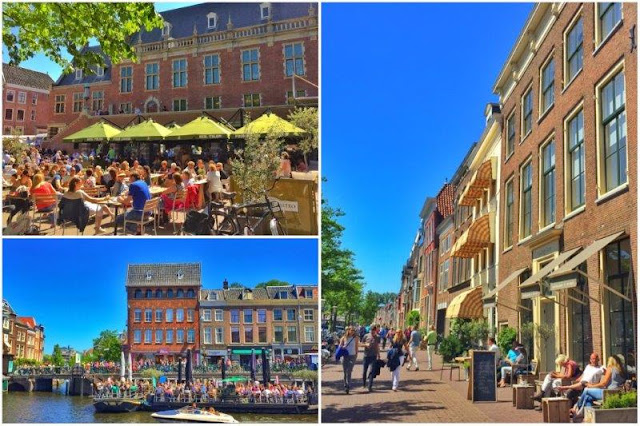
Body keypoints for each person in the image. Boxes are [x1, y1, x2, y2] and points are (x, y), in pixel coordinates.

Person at [339, 326, 358, 394]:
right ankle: (345, 384)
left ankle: (348, 385)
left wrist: (356, 355)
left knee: (349, 371)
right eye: (351, 330)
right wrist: (342, 347)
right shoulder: (344, 338)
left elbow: (356, 347)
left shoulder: (355, 338)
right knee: (345, 371)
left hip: (352, 356)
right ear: (348, 330)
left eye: (353, 330)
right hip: (345, 356)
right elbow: (339, 346)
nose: (353, 331)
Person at [361, 324, 380, 392]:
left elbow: (377, 346)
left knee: (372, 371)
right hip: (366, 355)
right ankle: (364, 383)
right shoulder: (366, 336)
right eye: (371, 331)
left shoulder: (378, 337)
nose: (372, 332)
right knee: (364, 371)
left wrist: (378, 354)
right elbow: (361, 343)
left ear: (375, 331)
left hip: (373, 356)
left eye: (374, 331)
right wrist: (365, 345)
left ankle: (370, 386)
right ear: (370, 330)